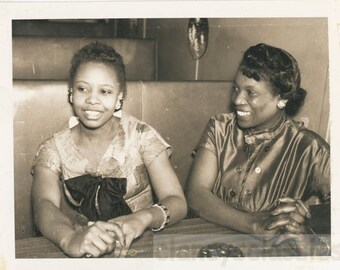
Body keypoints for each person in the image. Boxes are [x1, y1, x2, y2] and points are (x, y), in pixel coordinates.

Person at [31, 42, 187, 258]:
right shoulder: (53, 147)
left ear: (119, 97)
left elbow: (176, 201)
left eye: (105, 91)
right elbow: (43, 206)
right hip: (83, 245)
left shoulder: (142, 136)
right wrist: (70, 238)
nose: (92, 100)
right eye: (82, 89)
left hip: (144, 243)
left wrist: (142, 218)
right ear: (70, 93)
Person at [187, 43, 330, 256]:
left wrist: (307, 219)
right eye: (236, 88)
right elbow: (196, 194)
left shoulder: (311, 149)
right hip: (207, 247)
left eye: (250, 92)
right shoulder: (220, 128)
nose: (237, 99)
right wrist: (254, 225)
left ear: (282, 99)